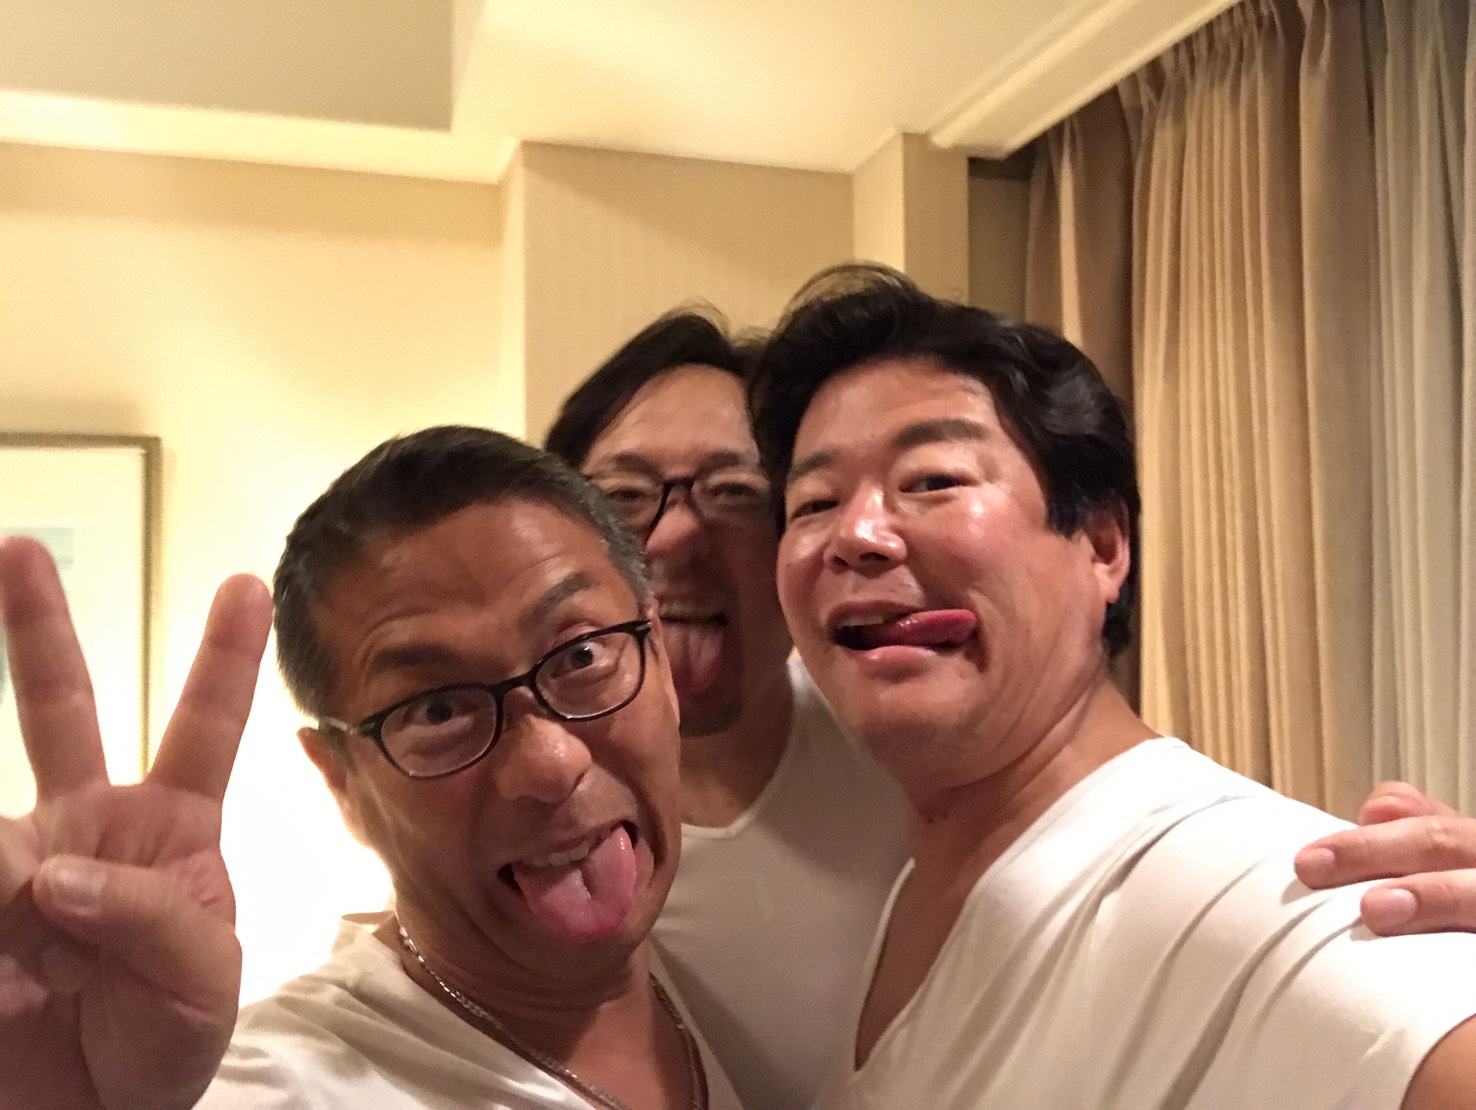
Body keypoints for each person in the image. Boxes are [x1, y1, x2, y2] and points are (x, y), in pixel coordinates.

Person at [747, 263, 1476, 1108]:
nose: (857, 534)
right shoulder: (910, 893)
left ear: (1102, 545)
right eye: (814, 503)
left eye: (933, 480)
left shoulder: (1253, 894)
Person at [0, 426, 742, 1109]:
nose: (551, 762)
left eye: (581, 655)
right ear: (341, 780)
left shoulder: (725, 979)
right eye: (438, 711)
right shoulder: (283, 1084)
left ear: (657, 656)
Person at [544, 310, 909, 1110]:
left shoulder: (903, 757)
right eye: (623, 496)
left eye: (736, 493)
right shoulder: (525, 810)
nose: (676, 534)